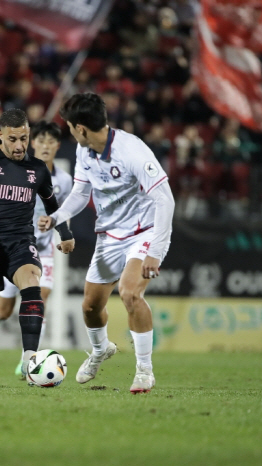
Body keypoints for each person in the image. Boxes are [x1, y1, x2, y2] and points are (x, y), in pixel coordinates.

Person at [39, 92, 175, 393]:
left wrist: (154, 250)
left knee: (129, 294)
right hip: (109, 236)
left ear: (82, 129)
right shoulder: (84, 152)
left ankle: (144, 370)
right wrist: (57, 216)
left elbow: (165, 198)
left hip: (144, 232)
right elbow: (80, 193)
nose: (71, 133)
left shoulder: (132, 151)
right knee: (90, 307)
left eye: (71, 128)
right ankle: (100, 350)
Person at [0, 109, 75, 387]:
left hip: (20, 242)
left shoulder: (37, 169)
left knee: (32, 283)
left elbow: (53, 206)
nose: (18, 145)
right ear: (0, 135)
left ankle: (29, 360)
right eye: (12, 139)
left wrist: (65, 233)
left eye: (23, 138)